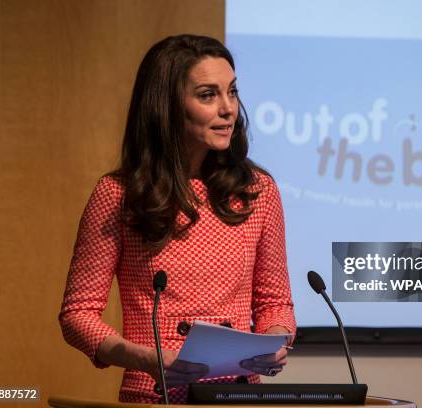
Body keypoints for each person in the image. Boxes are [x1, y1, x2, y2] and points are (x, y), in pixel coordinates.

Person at [59, 34, 296, 404]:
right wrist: (142, 358)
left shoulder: (257, 190)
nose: (228, 108)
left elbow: (275, 302)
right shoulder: (118, 195)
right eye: (207, 95)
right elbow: (77, 315)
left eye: (231, 92)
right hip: (156, 395)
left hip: (237, 395)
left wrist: (276, 339)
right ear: (167, 106)